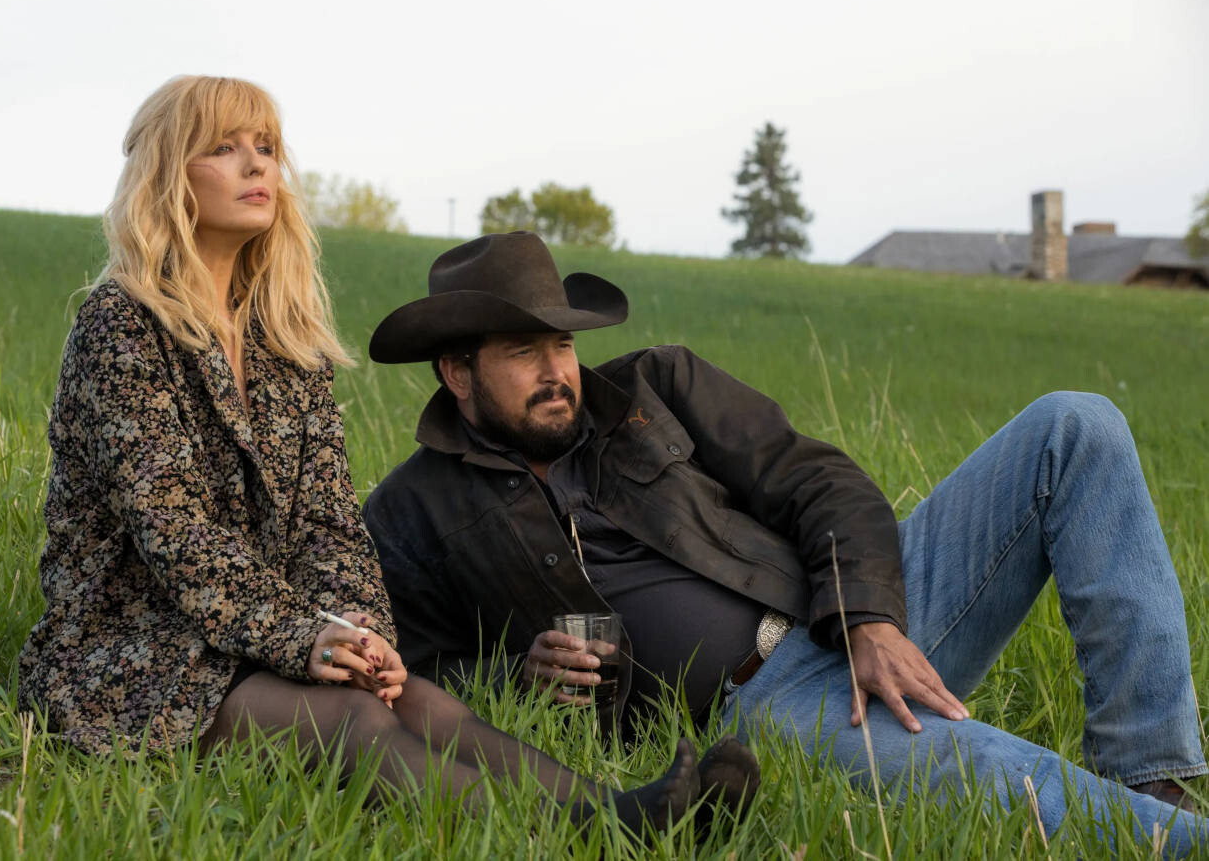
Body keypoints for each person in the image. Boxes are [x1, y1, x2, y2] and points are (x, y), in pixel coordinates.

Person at [15, 77, 761, 833]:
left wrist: (363, 631)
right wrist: (307, 637)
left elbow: (329, 525)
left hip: (270, 628)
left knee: (425, 704)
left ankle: (619, 811)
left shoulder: (286, 340)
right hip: (139, 649)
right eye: (224, 148)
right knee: (352, 719)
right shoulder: (122, 326)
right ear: (169, 173)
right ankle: (592, 837)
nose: (256, 168)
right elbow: (174, 533)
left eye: (266, 149)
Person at [363, 230, 1209, 853]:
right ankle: (1171, 841)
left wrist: (869, 619)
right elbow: (414, 672)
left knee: (1076, 424)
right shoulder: (411, 510)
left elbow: (821, 483)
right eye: (525, 353)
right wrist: (520, 673)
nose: (560, 372)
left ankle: (1148, 775)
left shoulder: (654, 387)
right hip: (769, 701)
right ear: (458, 372)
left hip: (854, 614)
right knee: (997, 775)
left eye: (564, 343)